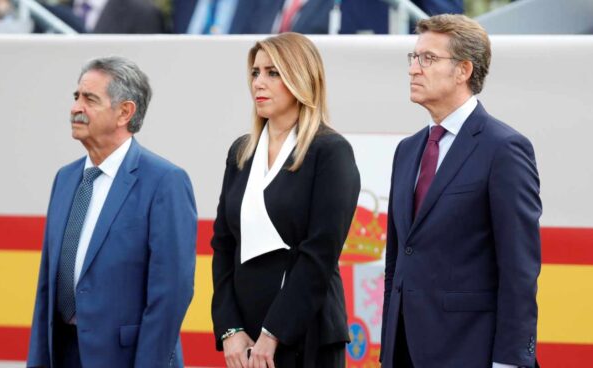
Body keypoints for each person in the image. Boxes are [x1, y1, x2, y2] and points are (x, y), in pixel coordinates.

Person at [380, 14, 541, 368]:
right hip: (403, 350)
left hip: (469, 351)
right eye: (413, 57)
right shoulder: (407, 151)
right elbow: (398, 259)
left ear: (463, 70)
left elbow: (519, 269)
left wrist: (511, 360)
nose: (414, 69)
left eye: (428, 59)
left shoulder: (504, 149)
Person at [27, 56, 197, 367]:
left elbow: (171, 293)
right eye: (76, 97)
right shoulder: (65, 179)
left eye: (90, 99)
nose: (76, 108)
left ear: (124, 112)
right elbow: (46, 288)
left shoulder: (164, 181)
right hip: (63, 353)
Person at [210, 32, 360, 368]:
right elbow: (222, 245)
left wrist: (273, 332)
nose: (259, 83)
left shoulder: (330, 152)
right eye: (255, 72)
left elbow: (320, 253)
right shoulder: (241, 151)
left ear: (301, 78)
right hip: (246, 338)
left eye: (272, 73)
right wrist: (230, 328)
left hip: (306, 335)